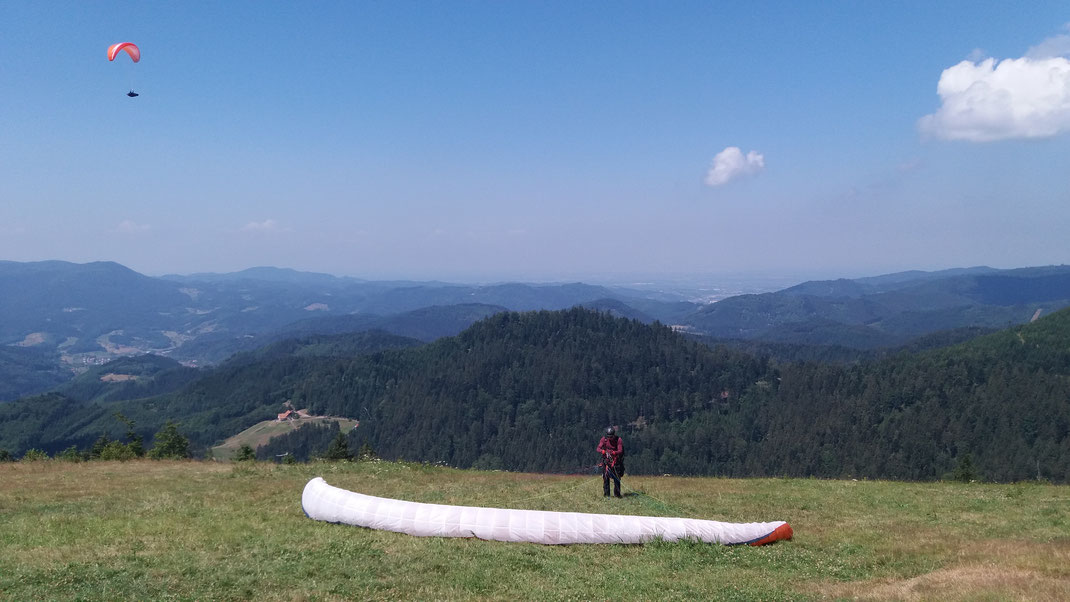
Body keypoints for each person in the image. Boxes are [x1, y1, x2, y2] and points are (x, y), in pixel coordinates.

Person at [597, 426, 624, 498]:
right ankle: (606, 495)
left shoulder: (619, 440)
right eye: (608, 437)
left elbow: (620, 450)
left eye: (611, 437)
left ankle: (617, 495)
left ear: (614, 435)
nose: (610, 438)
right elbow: (598, 448)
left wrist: (615, 453)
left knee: (617, 478)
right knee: (606, 478)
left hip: (616, 462)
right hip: (606, 462)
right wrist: (602, 451)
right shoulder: (604, 439)